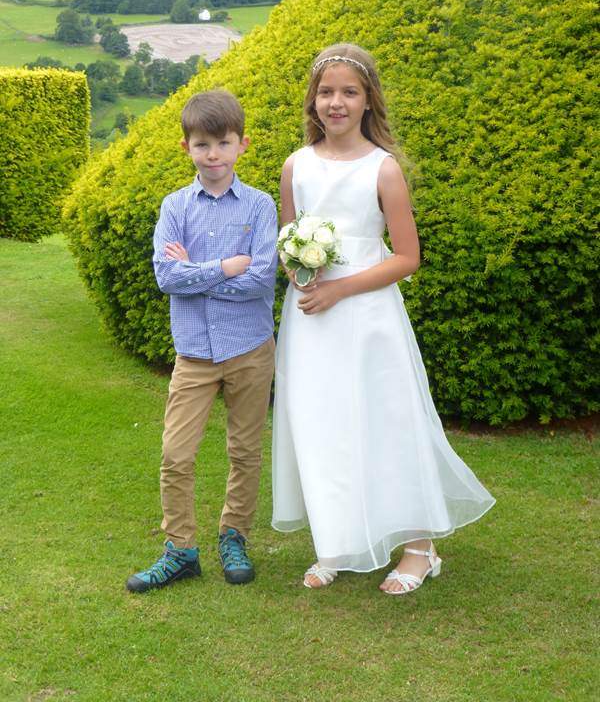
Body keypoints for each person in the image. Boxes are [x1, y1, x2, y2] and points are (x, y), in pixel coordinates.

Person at [272, 44, 495, 594]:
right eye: (326, 92)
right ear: (313, 100)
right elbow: (288, 239)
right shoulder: (296, 166)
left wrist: (339, 288)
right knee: (322, 422)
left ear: (368, 100)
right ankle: (339, 540)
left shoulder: (383, 169)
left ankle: (420, 548)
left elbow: (406, 258)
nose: (337, 102)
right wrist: (300, 271)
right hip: (311, 320)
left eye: (349, 92)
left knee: (387, 421)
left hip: (367, 316)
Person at [127, 90, 278, 593]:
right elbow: (167, 277)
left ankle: (234, 536)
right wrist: (223, 266)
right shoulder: (175, 207)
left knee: (245, 449)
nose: (213, 154)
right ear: (186, 147)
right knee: (176, 454)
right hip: (193, 353)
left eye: (223, 143)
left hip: (249, 349)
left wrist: (196, 271)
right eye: (202, 145)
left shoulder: (260, 206)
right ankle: (180, 550)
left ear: (242, 145)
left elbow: (260, 279)